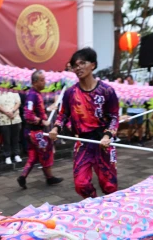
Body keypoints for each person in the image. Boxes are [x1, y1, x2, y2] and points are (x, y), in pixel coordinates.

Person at [50, 47, 119, 199]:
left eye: (82, 63)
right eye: (75, 65)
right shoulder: (70, 93)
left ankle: (111, 209)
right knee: (81, 184)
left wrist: (108, 135)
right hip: (83, 142)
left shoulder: (107, 91)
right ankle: (95, 204)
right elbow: (63, 115)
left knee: (109, 185)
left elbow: (114, 116)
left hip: (103, 142)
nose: (78, 67)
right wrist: (56, 128)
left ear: (93, 65)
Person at [19, 70, 63, 189]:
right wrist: (42, 121)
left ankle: (23, 176)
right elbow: (28, 115)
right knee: (46, 153)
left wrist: (49, 110)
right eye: (42, 80)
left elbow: (37, 111)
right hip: (36, 133)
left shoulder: (36, 94)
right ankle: (50, 178)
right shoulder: (32, 95)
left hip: (31, 132)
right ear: (35, 82)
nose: (45, 82)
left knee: (33, 156)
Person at [0, 89, 23, 165]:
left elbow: (18, 102)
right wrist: (7, 112)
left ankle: (16, 154)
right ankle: (7, 156)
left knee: (16, 138)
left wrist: (12, 111)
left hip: (15, 118)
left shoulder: (14, 91)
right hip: (4, 120)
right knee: (6, 139)